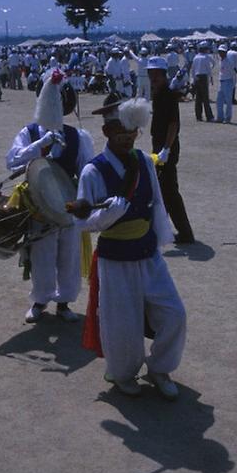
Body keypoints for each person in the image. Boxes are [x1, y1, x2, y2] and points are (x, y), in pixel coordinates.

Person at [76, 97, 187, 399]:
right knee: (122, 324)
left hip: (148, 253)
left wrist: (161, 237)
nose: (126, 141)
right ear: (106, 133)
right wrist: (108, 215)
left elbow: (157, 204)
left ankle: (160, 367)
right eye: (119, 136)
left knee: (174, 313)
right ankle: (124, 373)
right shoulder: (93, 171)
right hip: (115, 259)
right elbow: (83, 223)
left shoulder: (143, 163)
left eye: (131, 135)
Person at [6, 70, 95, 323]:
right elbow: (11, 162)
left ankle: (64, 302)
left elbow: (87, 170)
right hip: (38, 207)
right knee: (42, 257)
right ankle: (40, 300)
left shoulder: (78, 137)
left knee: (68, 257)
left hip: (67, 207)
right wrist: (38, 145)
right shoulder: (29, 133)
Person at [147, 57, 195, 244]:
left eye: (157, 75)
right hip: (160, 147)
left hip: (166, 148)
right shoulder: (158, 93)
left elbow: (173, 124)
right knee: (163, 190)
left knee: (169, 191)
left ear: (164, 75)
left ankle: (184, 232)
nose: (153, 78)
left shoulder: (167, 95)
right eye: (151, 75)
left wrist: (166, 148)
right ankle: (161, 228)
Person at [191, 41, 214, 122]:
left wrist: (193, 79)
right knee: (205, 98)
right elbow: (209, 68)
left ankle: (198, 116)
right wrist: (211, 77)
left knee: (198, 98)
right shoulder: (206, 57)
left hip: (197, 77)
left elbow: (193, 70)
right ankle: (209, 116)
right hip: (203, 77)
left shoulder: (196, 57)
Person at [216, 45, 235, 124]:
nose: (220, 53)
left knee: (228, 101)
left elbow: (232, 73)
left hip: (227, 81)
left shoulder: (229, 62)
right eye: (220, 52)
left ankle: (228, 118)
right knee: (219, 100)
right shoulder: (221, 60)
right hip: (222, 81)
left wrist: (232, 84)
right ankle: (220, 117)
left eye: (222, 52)